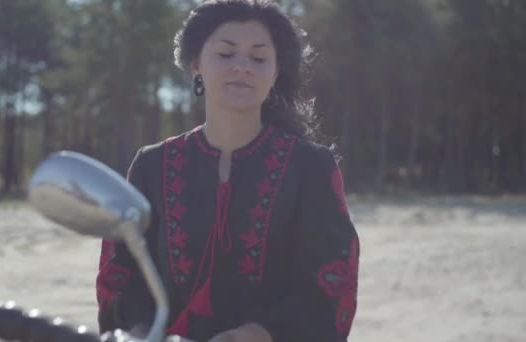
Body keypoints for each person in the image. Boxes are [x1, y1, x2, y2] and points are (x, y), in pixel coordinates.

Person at [96, 0, 359, 341]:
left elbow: (333, 281)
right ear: (196, 64)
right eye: (226, 54)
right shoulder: (151, 165)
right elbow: (122, 271)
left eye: (259, 57)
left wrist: (254, 335)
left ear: (276, 72)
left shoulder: (311, 167)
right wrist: (138, 331)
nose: (242, 67)